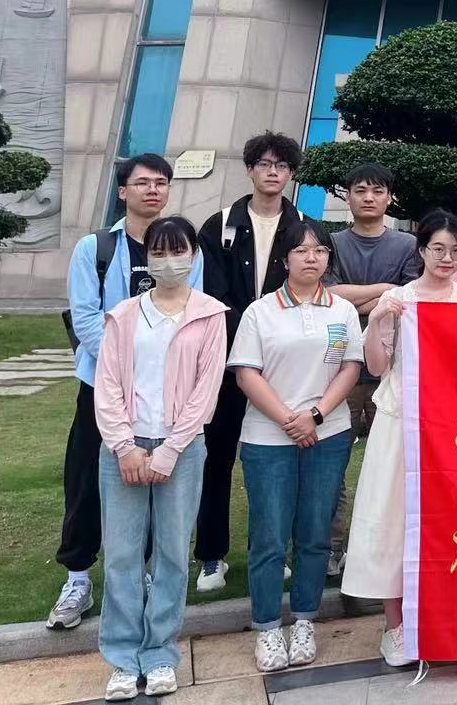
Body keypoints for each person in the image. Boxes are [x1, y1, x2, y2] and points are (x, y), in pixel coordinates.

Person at [49, 153, 201, 633]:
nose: (153, 190)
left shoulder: (185, 249)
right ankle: (78, 577)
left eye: (161, 182)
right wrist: (123, 370)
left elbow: (192, 313)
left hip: (164, 393)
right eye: (142, 182)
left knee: (159, 480)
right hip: (103, 389)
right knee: (86, 480)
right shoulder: (96, 248)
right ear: (123, 191)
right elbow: (86, 316)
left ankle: (149, 574)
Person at [92, 217, 226, 701]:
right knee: (122, 554)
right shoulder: (124, 315)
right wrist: (124, 447)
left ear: (194, 255)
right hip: (124, 447)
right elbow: (107, 385)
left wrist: (169, 451)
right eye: (159, 252)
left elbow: (205, 392)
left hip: (182, 449)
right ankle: (123, 658)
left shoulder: (211, 315)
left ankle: (160, 653)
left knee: (172, 552)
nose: (169, 262)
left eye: (179, 251)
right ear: (147, 258)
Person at [342, 210, 457, 668]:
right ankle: (396, 627)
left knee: (453, 518)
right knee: (394, 517)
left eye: (456, 250)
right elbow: (377, 366)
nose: (446, 258)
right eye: (438, 249)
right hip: (401, 418)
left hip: (456, 425)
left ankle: (447, 618)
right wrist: (380, 319)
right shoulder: (398, 299)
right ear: (421, 250)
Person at [228, 220, 364, 672]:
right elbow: (247, 373)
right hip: (269, 438)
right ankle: (268, 626)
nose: (312, 258)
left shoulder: (342, 310)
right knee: (269, 535)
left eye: (320, 250)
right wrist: (290, 419)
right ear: (284, 258)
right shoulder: (260, 312)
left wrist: (316, 416)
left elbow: (350, 367)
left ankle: (305, 618)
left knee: (314, 533)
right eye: (302, 250)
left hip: (328, 435)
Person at [194, 131, 305, 595]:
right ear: (250, 170)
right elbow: (211, 296)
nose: (272, 172)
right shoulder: (219, 225)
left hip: (282, 369)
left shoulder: (303, 228)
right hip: (226, 365)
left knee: (276, 463)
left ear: (291, 173)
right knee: (216, 458)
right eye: (264, 164)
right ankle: (211, 555)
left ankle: (271, 550)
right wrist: (255, 333)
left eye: (281, 165)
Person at [323, 163, 421, 582]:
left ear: (389, 198)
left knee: (393, 468)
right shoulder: (331, 242)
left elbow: (410, 299)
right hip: (339, 367)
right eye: (360, 190)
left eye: (377, 191)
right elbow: (328, 294)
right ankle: (331, 549)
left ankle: (386, 552)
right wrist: (382, 292)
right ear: (347, 196)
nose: (368, 197)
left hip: (393, 371)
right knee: (332, 467)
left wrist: (359, 300)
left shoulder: (407, 244)